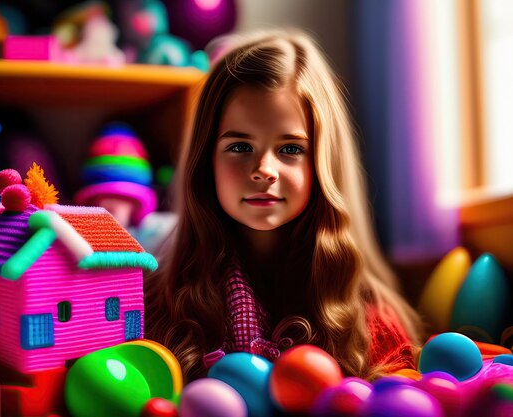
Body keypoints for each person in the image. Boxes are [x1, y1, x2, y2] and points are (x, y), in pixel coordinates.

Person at [144, 29, 424, 382]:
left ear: (322, 164)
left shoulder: (369, 321)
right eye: (240, 147)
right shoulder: (160, 306)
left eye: (290, 149)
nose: (263, 170)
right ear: (207, 162)